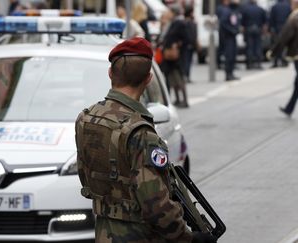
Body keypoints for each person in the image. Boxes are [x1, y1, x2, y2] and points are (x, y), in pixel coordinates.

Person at [75, 37, 217, 243]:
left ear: (110, 73)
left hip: (105, 232)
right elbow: (155, 205)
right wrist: (188, 238)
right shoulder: (141, 133)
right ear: (148, 78)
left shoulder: (86, 118)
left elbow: (85, 176)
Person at [269, 2, 298, 117]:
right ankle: (289, 108)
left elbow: (284, 37)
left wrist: (273, 52)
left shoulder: (294, 18)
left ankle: (289, 108)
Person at [161, 5, 190, 108]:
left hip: (177, 57)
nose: (167, 13)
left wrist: (177, 44)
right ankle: (178, 99)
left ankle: (184, 100)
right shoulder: (172, 23)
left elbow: (186, 38)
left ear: (173, 12)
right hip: (170, 56)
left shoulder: (179, 23)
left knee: (179, 78)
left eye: (169, 11)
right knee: (172, 78)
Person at [241, 0, 267, 70]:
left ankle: (249, 64)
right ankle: (258, 63)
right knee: (258, 47)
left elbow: (242, 23)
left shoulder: (245, 9)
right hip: (258, 29)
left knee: (249, 47)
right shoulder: (260, 9)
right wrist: (264, 32)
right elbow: (264, 23)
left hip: (248, 29)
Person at [219, 0, 241, 81]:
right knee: (229, 55)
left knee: (233, 54)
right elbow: (223, 23)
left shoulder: (233, 12)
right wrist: (232, 30)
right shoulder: (227, 11)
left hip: (232, 37)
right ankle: (228, 74)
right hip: (228, 37)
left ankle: (231, 73)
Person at [269, 0, 291, 68]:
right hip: (286, 27)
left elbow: (271, 19)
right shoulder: (288, 6)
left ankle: (275, 62)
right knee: (285, 45)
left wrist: (271, 29)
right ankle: (285, 61)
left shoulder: (274, 6)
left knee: (277, 45)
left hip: (277, 28)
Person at [183, 5, 198, 83]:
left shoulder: (184, 22)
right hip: (189, 44)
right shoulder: (190, 23)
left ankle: (186, 76)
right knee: (187, 61)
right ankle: (186, 76)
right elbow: (193, 35)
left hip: (186, 44)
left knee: (187, 61)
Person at [216, 0, 230, 69]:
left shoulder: (226, 8)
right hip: (222, 31)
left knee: (225, 48)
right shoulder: (221, 8)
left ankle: (223, 62)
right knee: (222, 47)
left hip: (225, 31)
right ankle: (219, 62)